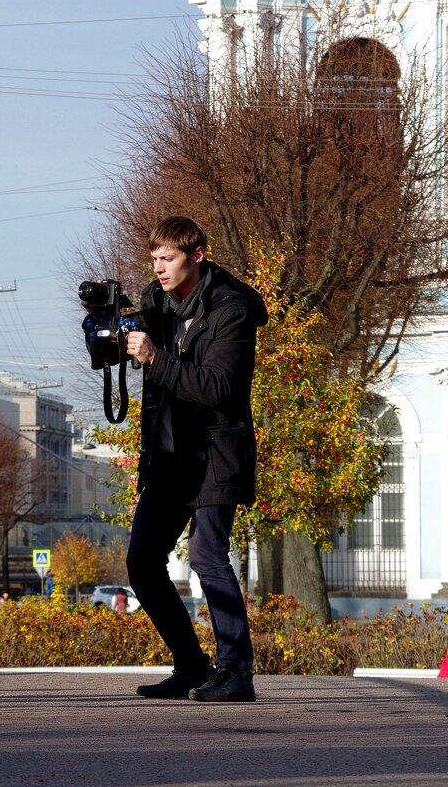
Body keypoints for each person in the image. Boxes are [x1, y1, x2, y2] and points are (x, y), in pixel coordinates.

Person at [99, 216, 267, 702]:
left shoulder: (229, 311)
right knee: (143, 562)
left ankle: (236, 673)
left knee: (207, 557)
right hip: (169, 457)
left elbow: (220, 388)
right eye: (153, 259)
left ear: (196, 255)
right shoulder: (155, 302)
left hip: (214, 452)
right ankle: (192, 664)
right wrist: (110, 338)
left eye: (167, 258)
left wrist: (155, 358)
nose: (158, 268)